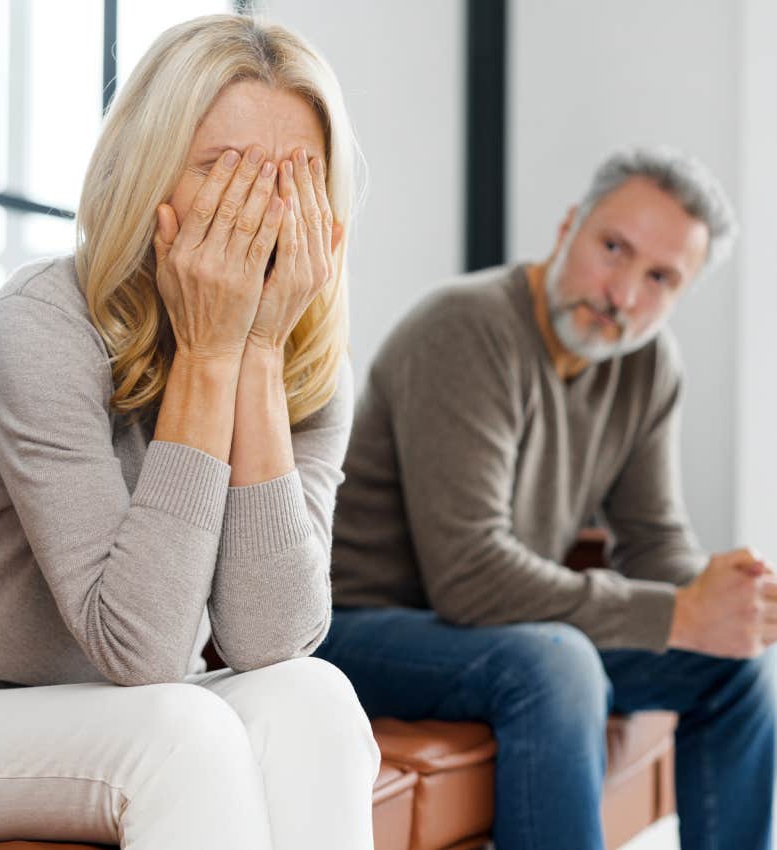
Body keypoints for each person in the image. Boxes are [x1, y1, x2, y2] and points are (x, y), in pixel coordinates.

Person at [0, 14, 379, 850]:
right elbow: (139, 647)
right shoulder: (43, 321)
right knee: (184, 731)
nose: (264, 211)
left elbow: (271, 642)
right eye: (226, 169)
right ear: (151, 177)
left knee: (312, 697)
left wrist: (258, 355)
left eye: (296, 177)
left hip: (135, 698)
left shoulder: (309, 357)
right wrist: (210, 355)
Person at [315, 147, 777, 850]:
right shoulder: (464, 330)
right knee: (557, 662)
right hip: (362, 626)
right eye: (613, 248)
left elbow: (652, 538)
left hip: (497, 628)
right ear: (569, 228)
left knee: (737, 661)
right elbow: (469, 577)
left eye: (660, 277)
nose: (621, 293)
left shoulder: (648, 364)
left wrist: (735, 602)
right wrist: (678, 613)